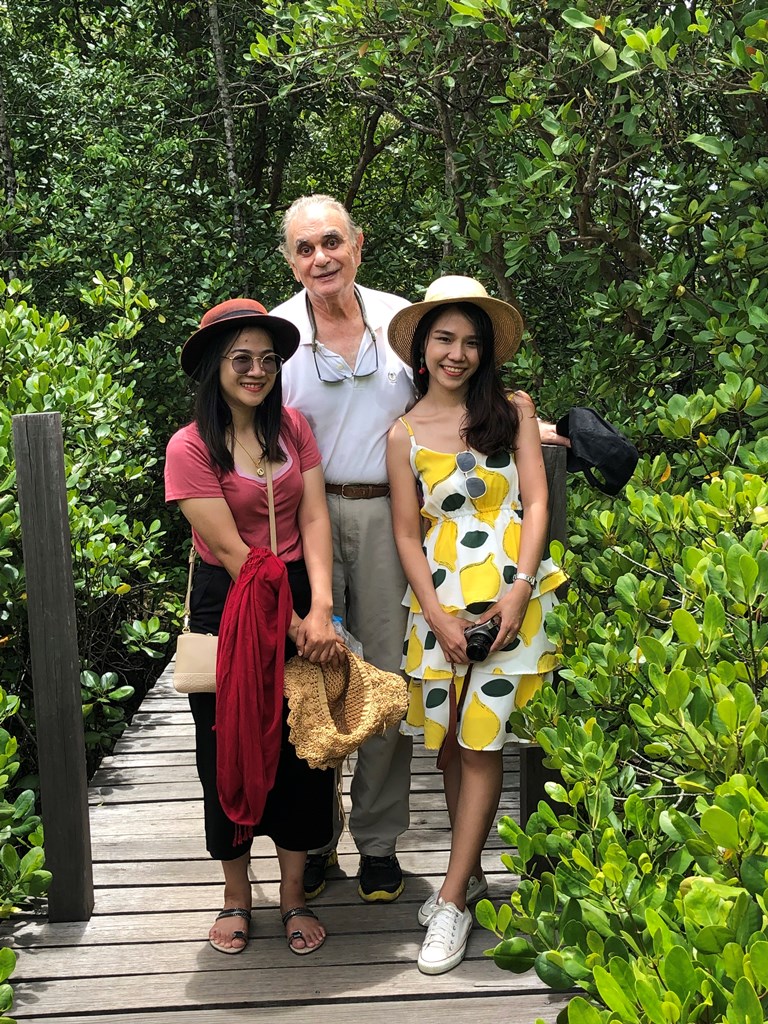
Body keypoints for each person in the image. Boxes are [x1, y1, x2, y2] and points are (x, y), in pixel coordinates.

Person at [271, 194, 569, 904]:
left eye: (333, 242)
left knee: (385, 683)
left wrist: (531, 428)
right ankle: (315, 839)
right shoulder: (280, 335)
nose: (322, 259)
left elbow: (460, 398)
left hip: (388, 517)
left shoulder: (396, 319)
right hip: (308, 517)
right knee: (313, 678)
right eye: (306, 248)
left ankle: (377, 843)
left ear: (358, 245)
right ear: (290, 259)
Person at [385, 275, 567, 975]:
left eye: (470, 342)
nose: (457, 354)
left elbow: (539, 502)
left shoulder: (513, 409)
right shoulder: (401, 434)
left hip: (510, 598)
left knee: (483, 743)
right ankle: (475, 876)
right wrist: (435, 615)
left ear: (485, 353)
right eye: (445, 340)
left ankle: (454, 898)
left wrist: (518, 596)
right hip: (438, 607)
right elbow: (407, 534)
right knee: (453, 748)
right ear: (423, 350)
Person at [164, 298, 339, 956]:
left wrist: (320, 605)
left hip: (296, 589)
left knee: (303, 749)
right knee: (226, 748)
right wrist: (297, 625)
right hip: (232, 603)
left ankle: (293, 895)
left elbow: (316, 519)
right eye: (242, 358)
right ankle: (237, 895)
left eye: (268, 359)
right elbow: (234, 552)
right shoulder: (189, 447)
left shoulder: (292, 428)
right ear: (214, 365)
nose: (257, 370)